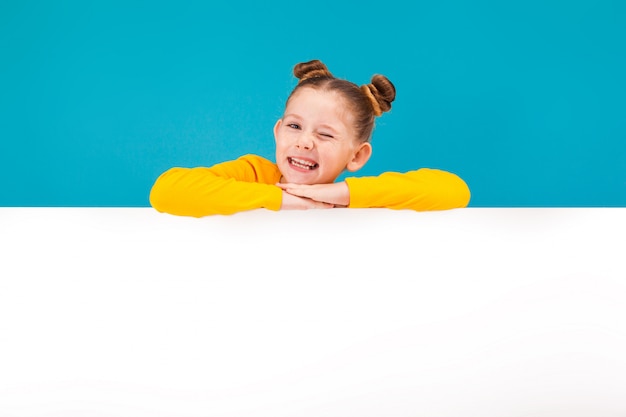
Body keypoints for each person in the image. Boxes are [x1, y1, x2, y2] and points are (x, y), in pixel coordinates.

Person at [149, 59, 471, 217]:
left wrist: (341, 194)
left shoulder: (359, 198)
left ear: (356, 157)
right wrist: (287, 200)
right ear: (277, 132)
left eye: (325, 134)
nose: (304, 142)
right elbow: (166, 190)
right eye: (294, 127)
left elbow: (454, 190)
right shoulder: (257, 176)